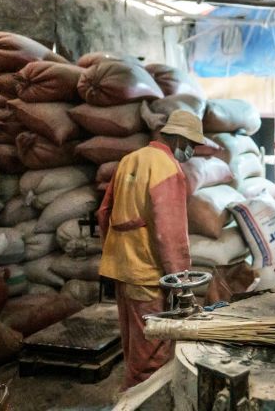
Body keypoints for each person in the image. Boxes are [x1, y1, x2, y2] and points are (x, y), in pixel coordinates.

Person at [97, 109, 204, 391]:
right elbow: (170, 233)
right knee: (151, 354)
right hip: (146, 272)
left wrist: (114, 253)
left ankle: (128, 396)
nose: (192, 151)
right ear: (179, 140)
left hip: (123, 268)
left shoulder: (129, 160)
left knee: (133, 344)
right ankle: (140, 401)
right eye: (192, 144)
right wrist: (181, 282)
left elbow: (104, 212)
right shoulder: (168, 169)